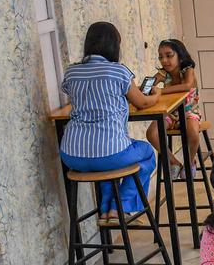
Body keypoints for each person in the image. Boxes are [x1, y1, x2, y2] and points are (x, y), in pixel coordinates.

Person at [59, 21, 161, 225]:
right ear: (114, 45)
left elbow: (77, 97)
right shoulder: (118, 71)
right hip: (110, 154)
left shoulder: (71, 72)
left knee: (103, 162)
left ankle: (105, 212)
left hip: (71, 155)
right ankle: (120, 207)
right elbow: (141, 102)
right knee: (147, 153)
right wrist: (157, 94)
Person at [145, 38, 201, 179]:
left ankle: (190, 162)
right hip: (170, 113)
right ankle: (174, 162)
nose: (164, 60)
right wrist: (145, 88)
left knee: (193, 132)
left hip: (189, 112)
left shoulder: (188, 70)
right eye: (161, 57)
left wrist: (160, 91)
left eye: (169, 55)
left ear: (180, 56)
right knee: (152, 134)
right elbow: (151, 84)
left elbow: (187, 86)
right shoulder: (164, 73)